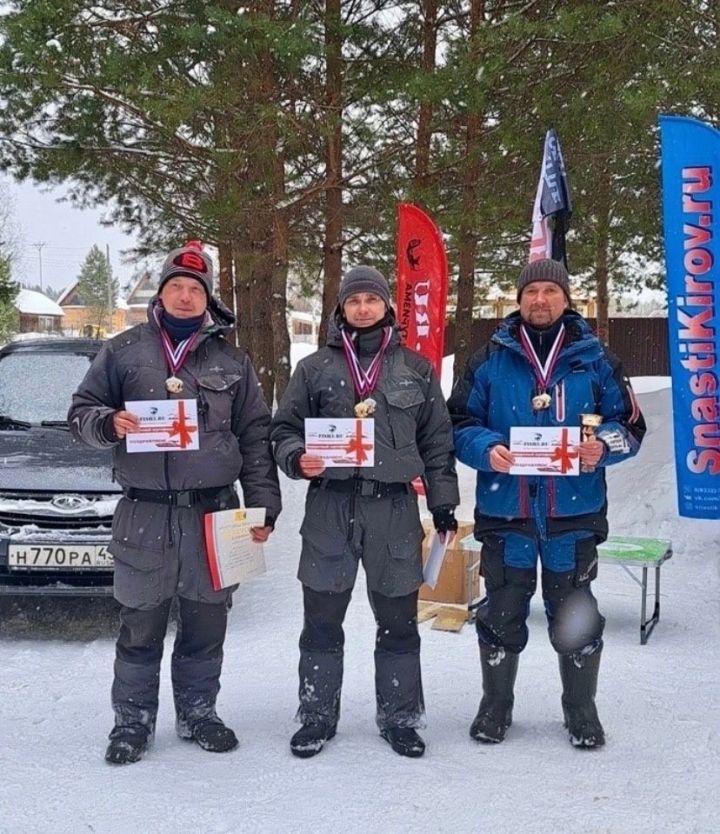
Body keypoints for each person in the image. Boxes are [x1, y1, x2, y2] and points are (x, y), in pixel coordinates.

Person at [68, 240, 281, 765]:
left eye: (195, 289)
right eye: (176, 288)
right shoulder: (123, 351)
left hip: (215, 515)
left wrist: (263, 508)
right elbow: (80, 413)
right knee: (139, 627)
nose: (185, 297)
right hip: (145, 513)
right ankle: (132, 722)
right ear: (160, 295)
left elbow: (256, 437)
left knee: (206, 626)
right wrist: (106, 423)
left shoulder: (233, 360)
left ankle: (199, 712)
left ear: (207, 300)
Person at [448, 258, 646, 749]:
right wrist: (485, 449)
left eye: (550, 291)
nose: (541, 299)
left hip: (572, 514)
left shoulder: (597, 358)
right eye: (531, 290)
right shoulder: (489, 359)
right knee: (501, 612)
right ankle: (496, 707)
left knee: (575, 616)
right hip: (507, 510)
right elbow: (458, 424)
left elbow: (632, 427)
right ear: (518, 299)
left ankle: (580, 709)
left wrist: (604, 445)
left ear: (566, 298)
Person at [271, 265, 459, 759]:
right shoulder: (314, 369)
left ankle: (400, 718)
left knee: (397, 623)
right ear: (341, 309)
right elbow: (283, 430)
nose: (362, 308)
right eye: (353, 301)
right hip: (330, 508)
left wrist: (443, 506)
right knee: (321, 622)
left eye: (370, 300)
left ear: (386, 307)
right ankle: (316, 715)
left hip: (393, 508)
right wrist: (296, 457)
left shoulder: (415, 369)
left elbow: (438, 444)